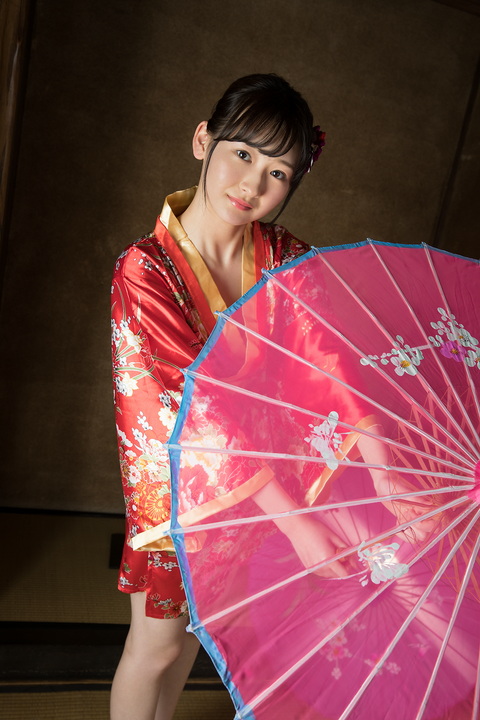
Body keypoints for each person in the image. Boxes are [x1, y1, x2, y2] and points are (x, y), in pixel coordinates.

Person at [109, 73, 335, 720]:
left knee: (194, 640)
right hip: (186, 486)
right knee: (155, 647)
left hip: (265, 481)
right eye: (242, 154)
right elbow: (192, 409)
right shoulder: (145, 269)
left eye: (278, 173)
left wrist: (376, 457)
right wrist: (296, 523)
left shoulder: (288, 257)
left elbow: (330, 369)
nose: (252, 185)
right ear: (203, 140)